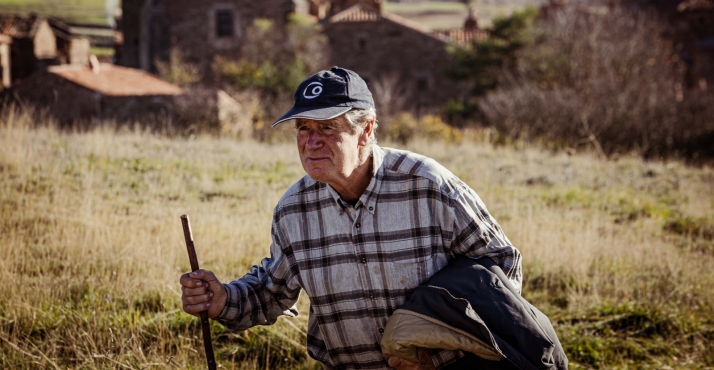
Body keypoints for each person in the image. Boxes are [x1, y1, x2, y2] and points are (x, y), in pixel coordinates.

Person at [180, 67, 522, 369]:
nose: (311, 142)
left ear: (367, 130)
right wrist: (223, 299)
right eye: (303, 128)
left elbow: (501, 264)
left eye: (327, 128)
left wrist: (440, 341)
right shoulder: (293, 211)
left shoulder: (428, 186)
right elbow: (273, 292)